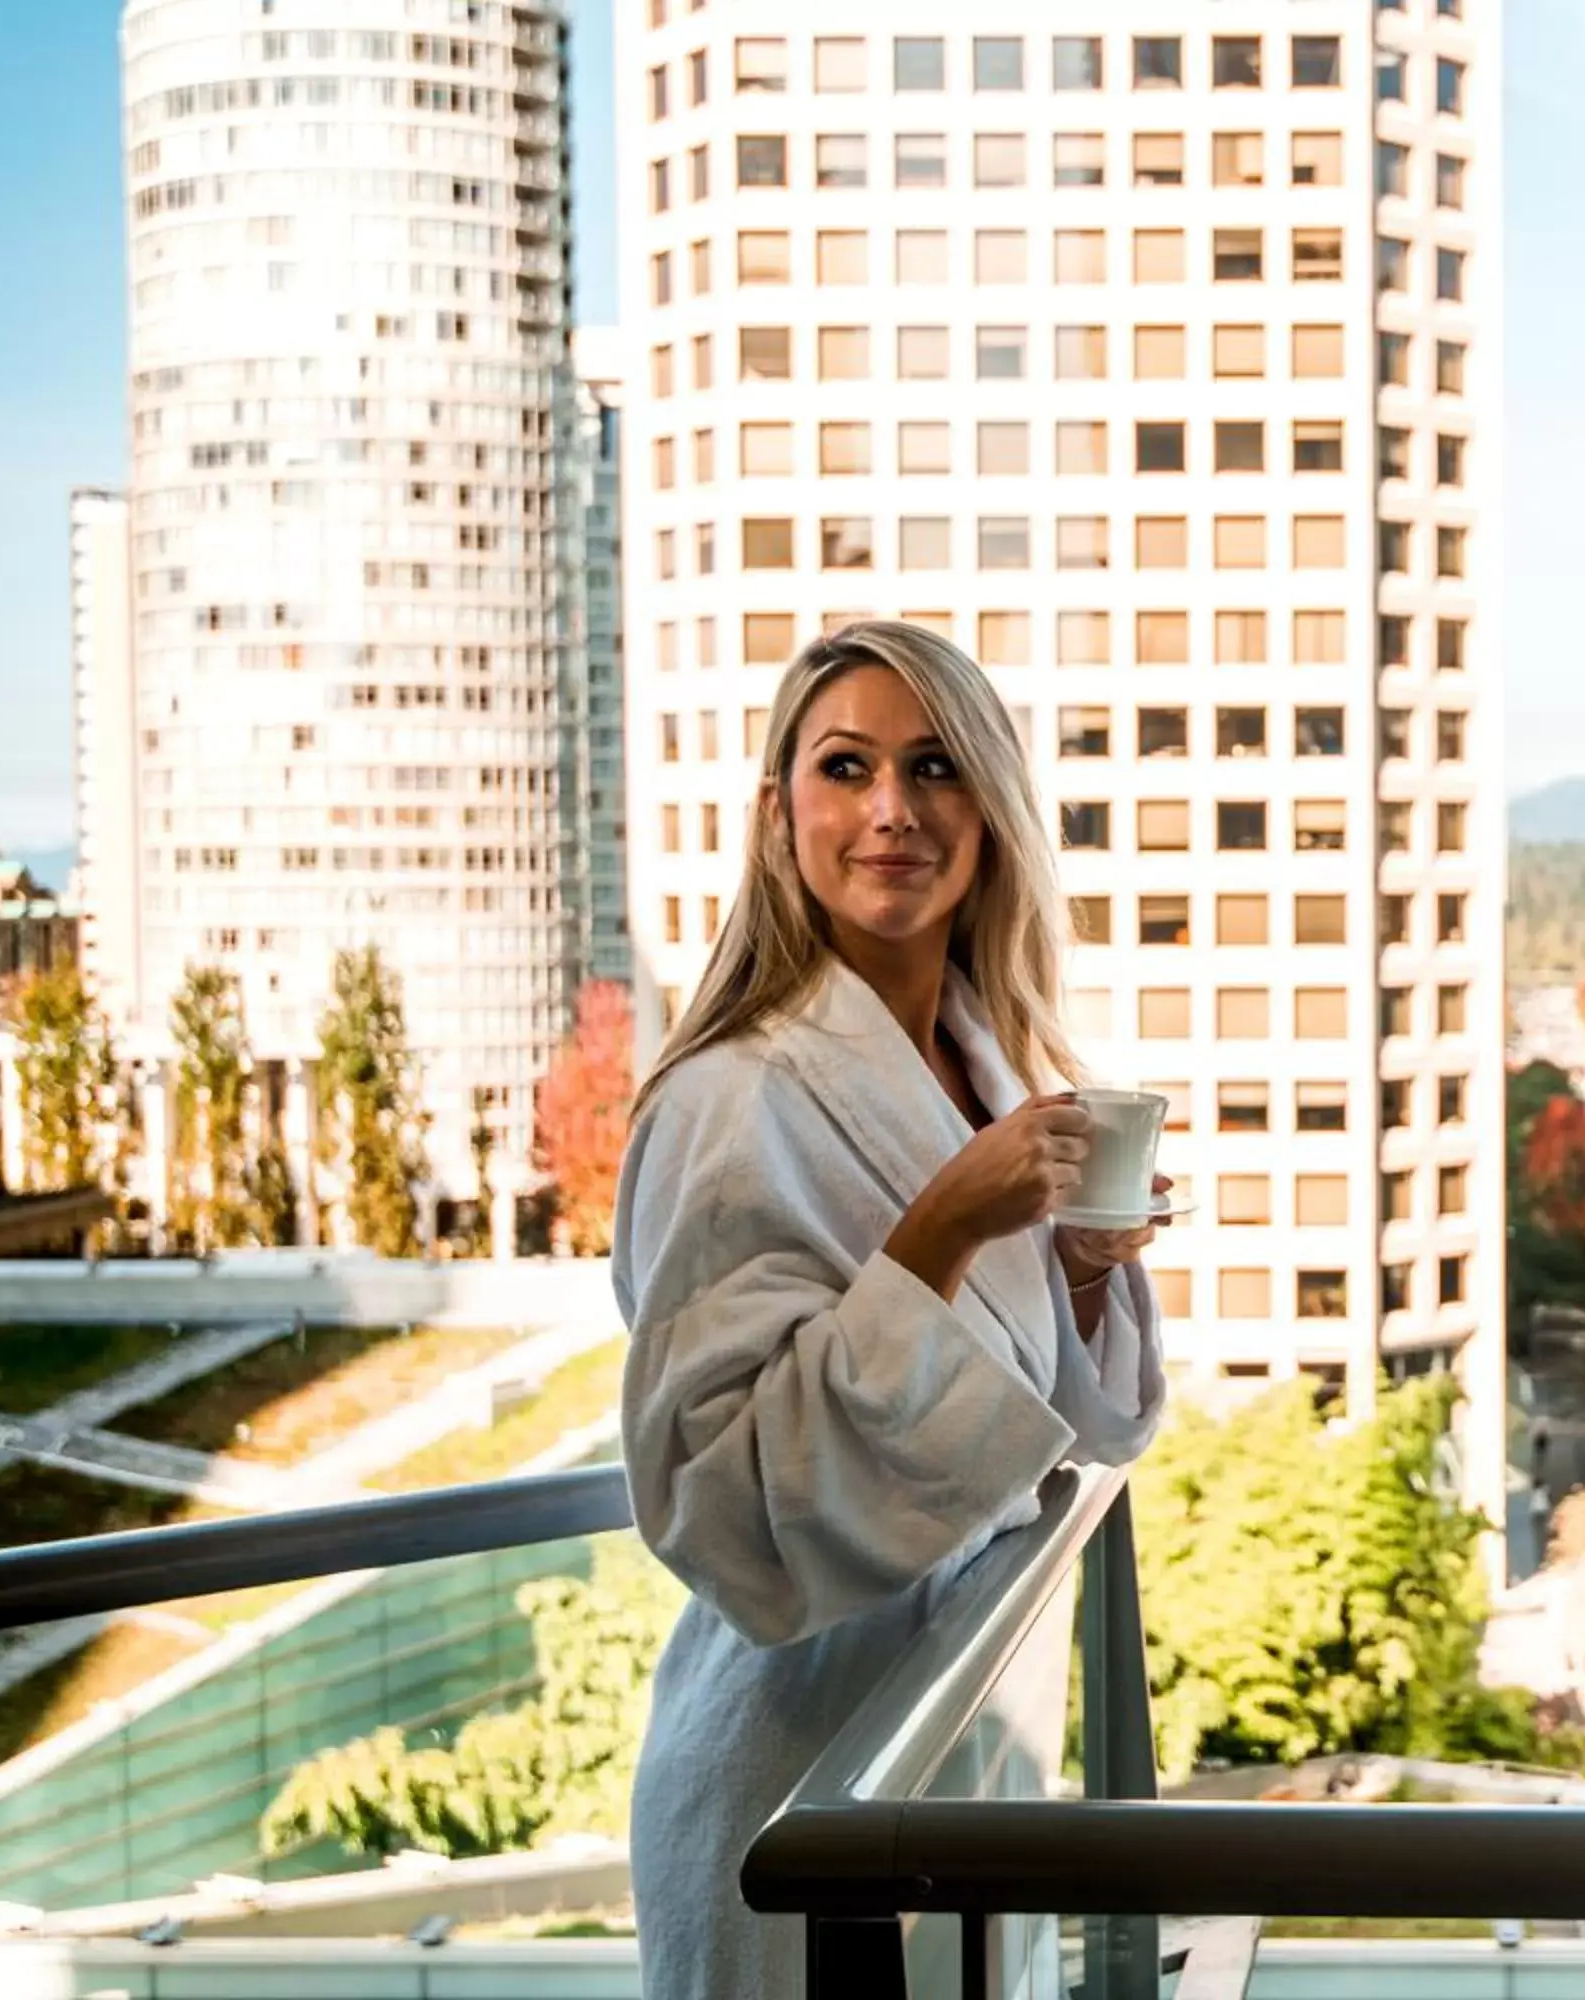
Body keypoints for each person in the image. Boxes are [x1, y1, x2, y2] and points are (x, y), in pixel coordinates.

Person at [614, 623, 1170, 1999]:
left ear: (987, 807)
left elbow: (1049, 1423)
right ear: (778, 812)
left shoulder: (986, 1066)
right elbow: (716, 1508)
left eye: (934, 767)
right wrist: (940, 1229)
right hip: (793, 1780)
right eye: (845, 766)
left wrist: (1077, 1279)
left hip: (960, 1752)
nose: (891, 811)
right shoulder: (724, 1102)